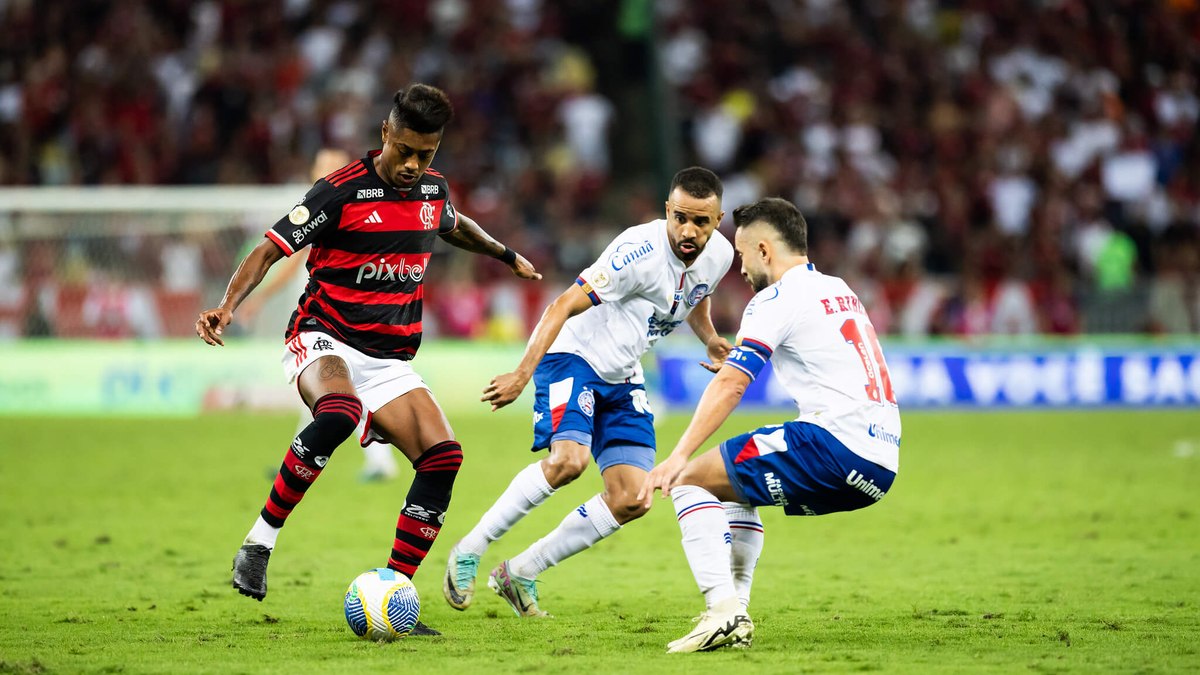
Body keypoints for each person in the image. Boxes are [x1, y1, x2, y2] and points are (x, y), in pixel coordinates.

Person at [194, 84, 542, 636]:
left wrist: (505, 254)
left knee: (443, 457)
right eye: (404, 149)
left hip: (388, 358)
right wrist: (226, 306)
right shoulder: (339, 192)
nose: (412, 164)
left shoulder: (433, 190)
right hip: (323, 336)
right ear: (385, 132)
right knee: (336, 413)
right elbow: (267, 250)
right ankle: (258, 544)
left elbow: (456, 225)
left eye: (425, 154)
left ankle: (394, 594)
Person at [443, 167, 734, 617]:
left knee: (633, 496)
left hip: (623, 372)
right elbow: (562, 305)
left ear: (718, 221)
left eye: (701, 222)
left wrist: (710, 337)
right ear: (667, 211)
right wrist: (523, 373)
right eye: (680, 218)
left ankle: (521, 571)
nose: (688, 230)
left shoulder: (721, 255)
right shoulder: (636, 252)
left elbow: (693, 298)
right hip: (573, 357)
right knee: (568, 462)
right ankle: (470, 548)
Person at [638, 197, 902, 652]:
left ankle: (722, 612)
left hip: (833, 446)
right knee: (733, 486)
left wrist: (677, 456)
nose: (740, 268)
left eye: (741, 254)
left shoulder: (774, 299)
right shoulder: (838, 288)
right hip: (881, 464)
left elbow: (732, 387)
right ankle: (734, 613)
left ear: (763, 250)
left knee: (688, 481)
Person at [237, 147, 400, 482]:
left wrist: (260, 297)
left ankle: (380, 461)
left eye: (331, 165)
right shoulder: (327, 204)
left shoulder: (339, 206)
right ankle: (304, 458)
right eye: (320, 164)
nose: (324, 170)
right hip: (323, 312)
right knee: (321, 393)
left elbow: (289, 261)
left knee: (338, 390)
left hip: (337, 317)